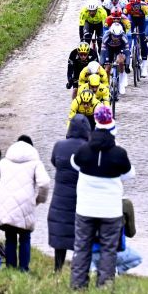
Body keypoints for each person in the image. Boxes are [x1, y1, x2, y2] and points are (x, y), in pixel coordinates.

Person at [70, 105, 134, 289]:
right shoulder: (119, 154)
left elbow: (74, 164)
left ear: (95, 124)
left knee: (82, 247)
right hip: (110, 209)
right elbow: (130, 173)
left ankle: (78, 286)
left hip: (85, 208)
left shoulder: (83, 151)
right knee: (108, 249)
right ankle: (105, 286)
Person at [0, 134, 50, 272]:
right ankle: (24, 269)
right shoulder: (35, 163)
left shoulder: (4, 162)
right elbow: (44, 183)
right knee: (25, 237)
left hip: (7, 206)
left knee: (10, 237)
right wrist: (39, 200)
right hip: (26, 206)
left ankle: (10, 268)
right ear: (31, 148)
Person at [48, 115, 91, 272]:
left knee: (60, 233)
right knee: (79, 235)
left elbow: (54, 162)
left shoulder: (59, 146)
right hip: (80, 198)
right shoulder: (88, 148)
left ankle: (57, 268)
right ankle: (77, 270)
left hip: (59, 198)